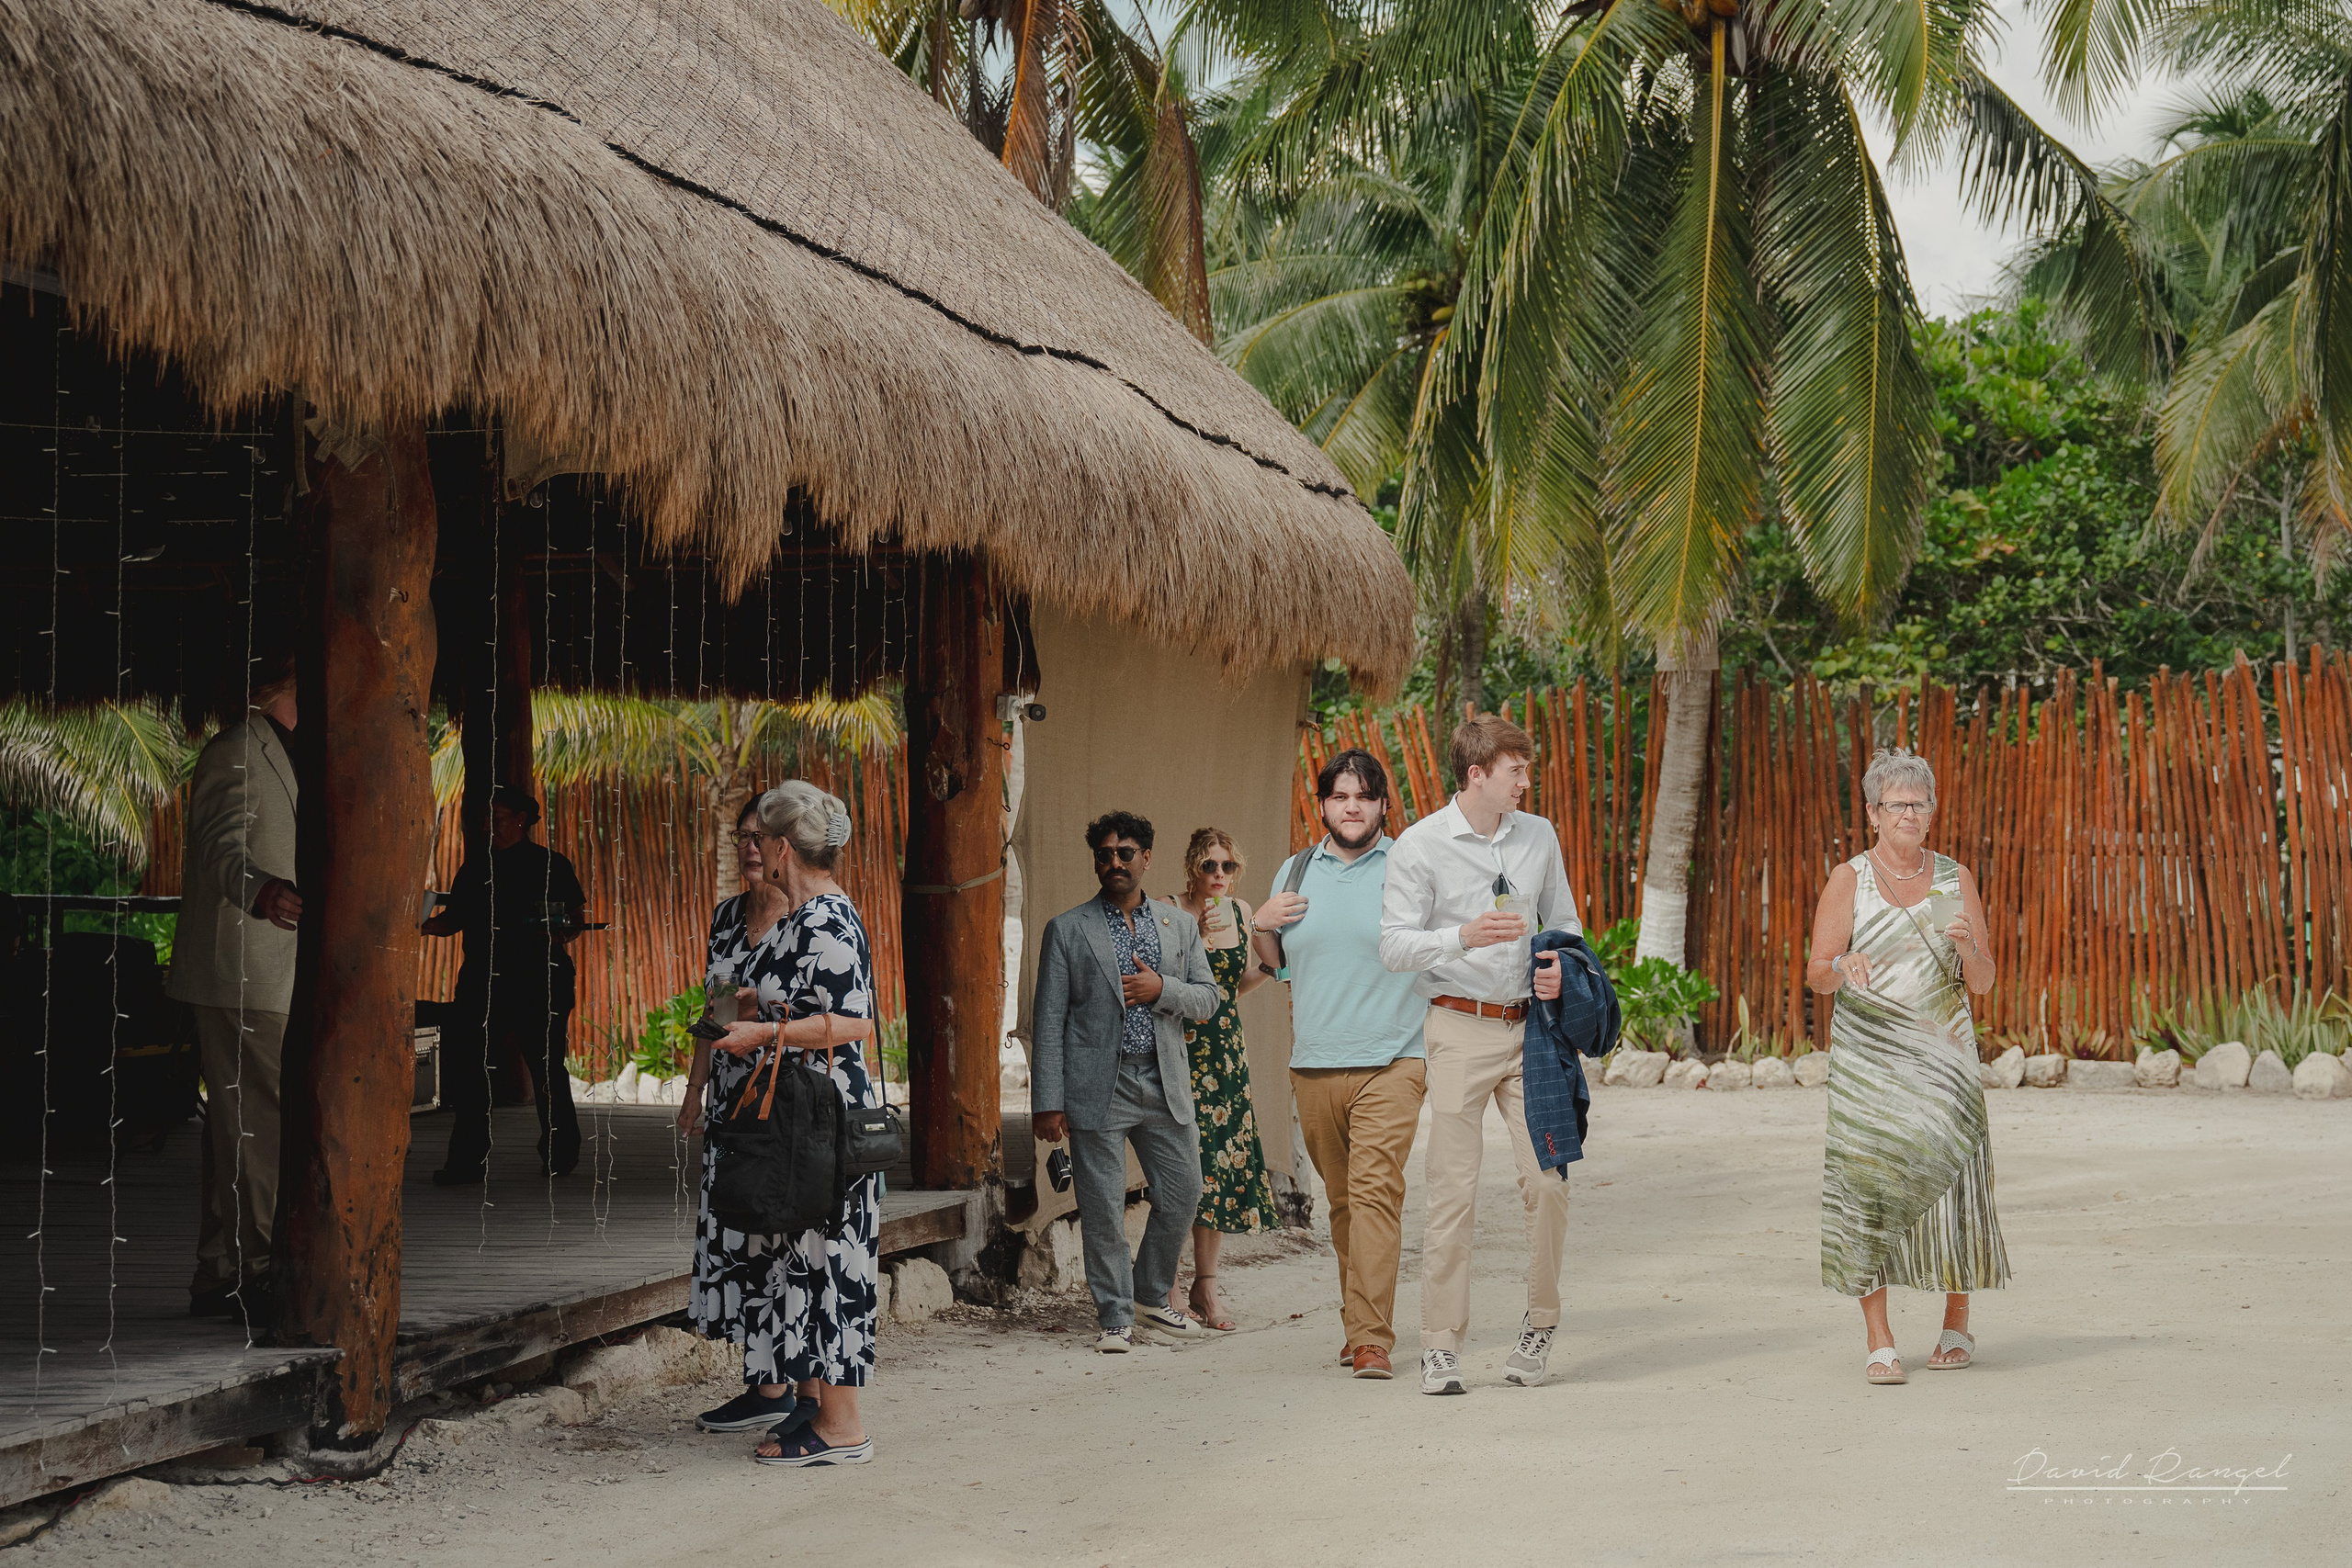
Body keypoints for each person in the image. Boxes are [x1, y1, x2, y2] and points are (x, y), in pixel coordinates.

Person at [1378, 715, 1577, 1396]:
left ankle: (1540, 1326)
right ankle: (1440, 1344)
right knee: (1452, 1193)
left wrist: (1556, 966)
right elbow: (1394, 946)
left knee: (1548, 1182)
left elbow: (1566, 924)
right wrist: (1461, 935)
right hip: (1457, 1027)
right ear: (1476, 775)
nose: (1527, 779)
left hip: (1534, 1033)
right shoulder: (1419, 845)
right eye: (1515, 769)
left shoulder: (1539, 835)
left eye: (1526, 767)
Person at [1808, 747, 2007, 1384]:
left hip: (1944, 1063)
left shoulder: (1953, 879)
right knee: (1867, 1183)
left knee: (1953, 1183)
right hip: (1871, 1065)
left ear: (1932, 810)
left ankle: (1957, 1319)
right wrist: (1843, 966)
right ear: (1873, 812)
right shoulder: (1850, 879)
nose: (1910, 813)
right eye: (1897, 803)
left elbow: (1982, 981)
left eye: (1920, 802)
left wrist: (1970, 949)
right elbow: (1816, 972)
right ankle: (1879, 1335)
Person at [700, 781, 884, 1465]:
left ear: (782, 847)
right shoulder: (798, 920)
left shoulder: (828, 918)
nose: (757, 852)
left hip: (824, 1123)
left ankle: (844, 1427)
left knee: (833, 1259)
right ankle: (816, 1408)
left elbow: (858, 1018)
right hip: (796, 1121)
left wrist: (763, 1036)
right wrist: (753, 1003)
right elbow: (797, 997)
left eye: (761, 841)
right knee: (804, 1257)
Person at [1251, 749, 1428, 1380]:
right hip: (1315, 1063)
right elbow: (1279, 966)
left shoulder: (1409, 865)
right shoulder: (1295, 870)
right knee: (1344, 1203)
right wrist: (1259, 924)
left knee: (1376, 1193)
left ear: (1383, 804)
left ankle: (1372, 1339)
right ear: (1322, 804)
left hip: (1394, 1058)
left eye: (1364, 795)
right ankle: (1360, 1326)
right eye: (1339, 796)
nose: (1351, 806)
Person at [1031, 810, 1221, 1353]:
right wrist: (1048, 1101)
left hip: (1163, 1080)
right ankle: (1115, 1315)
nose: (1114, 863)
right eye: (1104, 855)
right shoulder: (1067, 929)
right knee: (1103, 1206)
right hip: (1099, 1085)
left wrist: (1162, 989)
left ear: (1147, 859)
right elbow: (1049, 1020)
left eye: (1125, 853)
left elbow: (1207, 1000)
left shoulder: (1179, 925)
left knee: (1185, 1191)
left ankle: (1151, 1291)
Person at [167, 661, 301, 1322]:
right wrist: (260, 890)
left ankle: (219, 1269)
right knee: (259, 1117)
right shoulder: (237, 752)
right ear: (279, 687)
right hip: (240, 967)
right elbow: (219, 848)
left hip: (263, 966)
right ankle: (259, 1268)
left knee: (232, 1123)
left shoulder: (279, 752)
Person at [424, 785, 587, 1184]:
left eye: (496, 819)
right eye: (485, 819)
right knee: (471, 1070)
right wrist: (422, 924)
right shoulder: (476, 867)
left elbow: (574, 921)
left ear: (520, 820)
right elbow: (453, 920)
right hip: (483, 981)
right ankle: (465, 1162)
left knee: (547, 1069)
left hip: (541, 980)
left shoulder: (551, 864)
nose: (489, 826)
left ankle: (560, 1154)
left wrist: (562, 931)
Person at [1159, 828, 1278, 1330]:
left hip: (1226, 1053)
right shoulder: (1168, 910)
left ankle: (1205, 1286)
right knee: (1181, 1165)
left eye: (1227, 867)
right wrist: (1198, 937)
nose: (1219, 876)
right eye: (1209, 866)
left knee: (1218, 1167)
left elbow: (1239, 981)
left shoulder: (1242, 911)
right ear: (1192, 867)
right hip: (1179, 1048)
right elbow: (1165, 978)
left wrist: (1270, 965)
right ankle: (1163, 1284)